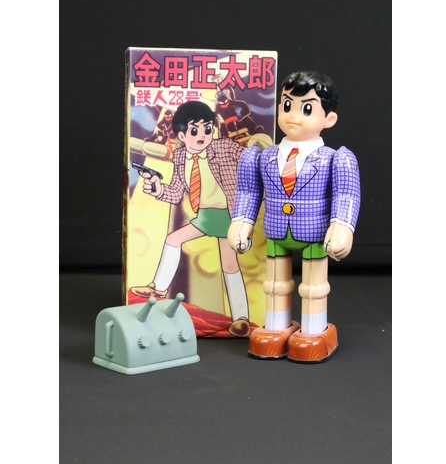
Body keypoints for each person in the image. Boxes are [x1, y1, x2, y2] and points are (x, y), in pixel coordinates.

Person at [228, 70, 361, 361]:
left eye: (307, 109)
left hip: (315, 233)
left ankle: (314, 330)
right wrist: (242, 221)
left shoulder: (334, 158)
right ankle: (277, 326)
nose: (293, 116)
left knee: (314, 287)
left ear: (329, 119)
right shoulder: (263, 156)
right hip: (277, 231)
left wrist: (342, 226)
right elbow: (249, 191)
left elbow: (346, 194)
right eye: (287, 105)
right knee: (275, 285)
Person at [130, 100, 251, 337]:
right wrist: (156, 187)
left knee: (229, 264)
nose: (202, 135)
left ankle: (241, 319)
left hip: (229, 215)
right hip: (205, 216)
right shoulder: (180, 157)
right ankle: (157, 289)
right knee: (173, 239)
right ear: (182, 135)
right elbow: (175, 193)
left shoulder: (224, 147)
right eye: (194, 131)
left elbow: (251, 157)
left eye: (207, 129)